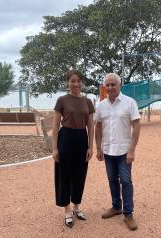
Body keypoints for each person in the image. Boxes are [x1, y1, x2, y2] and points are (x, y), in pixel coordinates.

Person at [95, 73, 141, 231]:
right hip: (108, 150)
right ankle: (116, 207)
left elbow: (136, 126)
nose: (110, 87)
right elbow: (98, 127)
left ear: (119, 85)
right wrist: (98, 148)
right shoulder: (101, 105)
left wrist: (132, 150)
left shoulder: (129, 103)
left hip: (124, 151)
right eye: (107, 85)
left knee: (126, 181)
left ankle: (128, 213)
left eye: (113, 84)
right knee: (112, 179)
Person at [52, 69, 95, 228]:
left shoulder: (88, 102)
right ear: (67, 82)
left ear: (82, 83)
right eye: (72, 81)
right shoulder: (62, 100)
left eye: (78, 81)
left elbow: (90, 126)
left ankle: (77, 206)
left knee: (80, 174)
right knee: (64, 175)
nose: (76, 84)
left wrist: (91, 146)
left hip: (81, 139)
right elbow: (56, 126)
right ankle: (67, 210)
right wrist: (54, 148)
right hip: (66, 138)